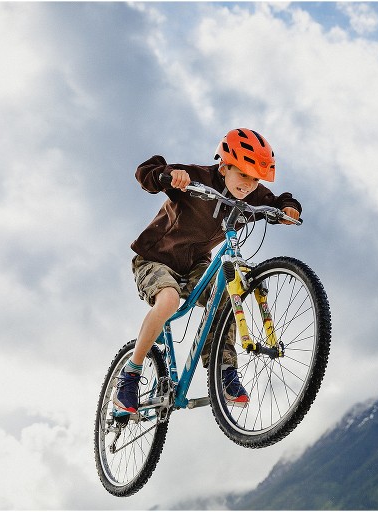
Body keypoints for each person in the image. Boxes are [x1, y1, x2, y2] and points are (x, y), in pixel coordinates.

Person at [115, 128, 302, 414]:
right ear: (224, 166)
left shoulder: (251, 195)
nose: (248, 185)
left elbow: (277, 201)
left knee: (228, 294)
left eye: (255, 179)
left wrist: (288, 208)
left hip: (195, 265)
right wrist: (168, 176)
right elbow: (146, 172)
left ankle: (224, 370)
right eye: (243, 175)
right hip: (155, 258)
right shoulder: (197, 177)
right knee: (168, 300)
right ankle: (130, 374)